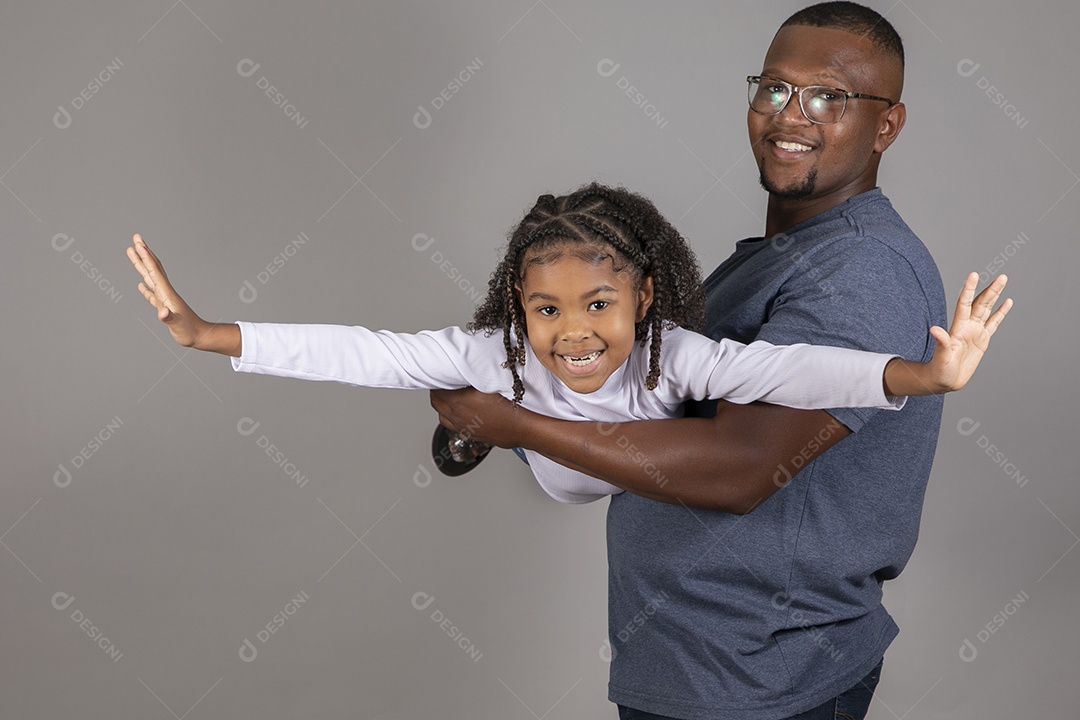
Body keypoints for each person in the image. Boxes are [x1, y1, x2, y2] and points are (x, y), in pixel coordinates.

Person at [427, 3, 1007, 719]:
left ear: (886, 124)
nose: (791, 116)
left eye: (829, 96)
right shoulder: (765, 265)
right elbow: (643, 416)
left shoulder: (862, 268)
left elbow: (741, 464)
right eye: (774, 89)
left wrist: (515, 424)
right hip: (694, 667)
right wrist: (509, 392)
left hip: (764, 679)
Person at [126, 182, 1005, 507]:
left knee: (727, 384)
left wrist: (921, 375)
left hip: (613, 453)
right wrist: (209, 335)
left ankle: (484, 428)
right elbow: (363, 351)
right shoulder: (494, 354)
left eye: (597, 304)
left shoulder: (675, 351)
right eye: (546, 310)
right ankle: (468, 431)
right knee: (453, 390)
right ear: (518, 306)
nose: (574, 331)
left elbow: (791, 367)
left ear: (645, 297)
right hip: (544, 456)